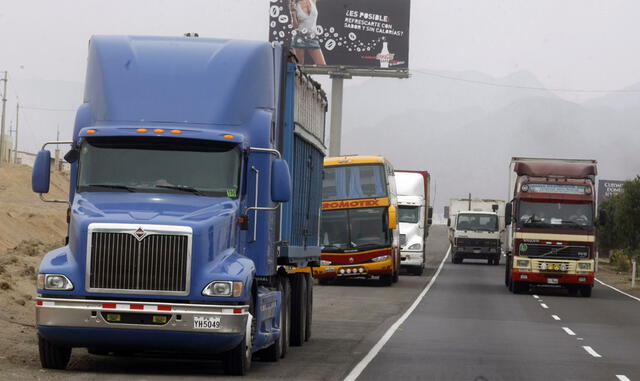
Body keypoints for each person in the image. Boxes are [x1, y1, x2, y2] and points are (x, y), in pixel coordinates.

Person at [289, 0, 326, 65]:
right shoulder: (294, 4)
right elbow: (295, 26)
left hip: (312, 38)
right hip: (299, 38)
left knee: (322, 66)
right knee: (299, 67)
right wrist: (293, 14)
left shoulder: (312, 1)